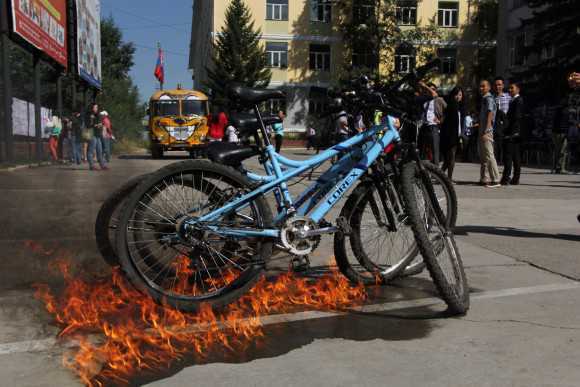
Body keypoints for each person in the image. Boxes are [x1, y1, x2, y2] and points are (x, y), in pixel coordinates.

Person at [500, 81, 524, 185]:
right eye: (509, 88)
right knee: (515, 156)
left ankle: (506, 178)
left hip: (513, 133)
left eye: (512, 88)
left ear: (518, 89)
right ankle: (515, 178)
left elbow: (517, 118)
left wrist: (512, 133)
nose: (509, 90)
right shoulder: (514, 100)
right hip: (515, 132)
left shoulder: (518, 100)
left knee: (508, 156)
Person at [478, 80, 501, 187]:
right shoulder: (484, 99)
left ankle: (496, 179)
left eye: (483, 86)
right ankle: (484, 178)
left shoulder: (489, 99)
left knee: (489, 154)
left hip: (487, 129)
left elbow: (490, 113)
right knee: (483, 155)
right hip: (482, 128)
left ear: (489, 87)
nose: (481, 88)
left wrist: (487, 130)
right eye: (480, 86)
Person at [440, 86, 464, 180]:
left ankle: (440, 175)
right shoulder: (453, 105)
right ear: (454, 95)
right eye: (458, 95)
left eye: (461, 95)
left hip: (453, 135)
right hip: (451, 136)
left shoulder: (456, 106)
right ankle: (448, 178)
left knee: (448, 159)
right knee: (451, 158)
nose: (459, 97)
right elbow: (450, 124)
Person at [419, 82, 446, 165]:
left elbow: (448, 111)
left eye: (433, 89)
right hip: (424, 126)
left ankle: (436, 170)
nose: (431, 91)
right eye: (429, 89)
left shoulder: (439, 100)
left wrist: (441, 121)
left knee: (435, 149)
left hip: (433, 126)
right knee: (422, 150)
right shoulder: (425, 100)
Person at [493, 76, 511, 163]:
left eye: (499, 85)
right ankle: (497, 161)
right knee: (497, 146)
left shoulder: (508, 97)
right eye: (496, 85)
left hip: (506, 125)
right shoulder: (492, 98)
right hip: (496, 126)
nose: (497, 87)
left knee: (506, 145)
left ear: (503, 86)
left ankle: (505, 161)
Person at [86, 103, 107, 171]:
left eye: (96, 107)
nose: (96, 109)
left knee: (99, 151)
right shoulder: (88, 115)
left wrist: (100, 124)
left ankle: (102, 165)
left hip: (97, 134)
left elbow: (100, 122)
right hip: (91, 134)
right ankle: (92, 166)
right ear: (91, 108)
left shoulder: (98, 115)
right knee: (90, 151)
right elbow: (88, 125)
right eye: (94, 107)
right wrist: (95, 125)